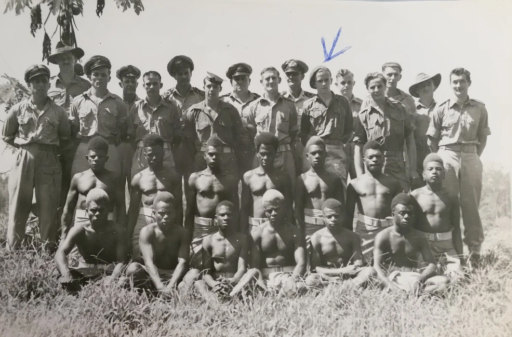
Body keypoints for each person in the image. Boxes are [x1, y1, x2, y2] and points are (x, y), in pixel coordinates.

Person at [2, 64, 70, 250]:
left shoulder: (59, 112)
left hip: (49, 158)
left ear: (49, 84)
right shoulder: (17, 109)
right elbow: (7, 135)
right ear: (29, 84)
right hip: (24, 156)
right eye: (35, 81)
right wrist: (27, 149)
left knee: (48, 205)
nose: (40, 85)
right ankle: (13, 248)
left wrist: (46, 151)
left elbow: (65, 138)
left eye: (43, 81)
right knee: (18, 203)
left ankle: (47, 249)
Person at [426, 68, 490, 266]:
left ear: (468, 83)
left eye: (462, 81)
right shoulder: (442, 108)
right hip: (447, 155)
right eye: (454, 82)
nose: (458, 86)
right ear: (450, 84)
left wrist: (472, 157)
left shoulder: (479, 108)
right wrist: (445, 157)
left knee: (471, 206)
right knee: (447, 203)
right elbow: (432, 140)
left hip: (471, 155)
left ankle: (474, 252)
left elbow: (483, 137)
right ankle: (451, 251)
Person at [233, 189, 306, 296]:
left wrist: (292, 280)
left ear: (284, 208)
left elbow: (301, 263)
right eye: (269, 210)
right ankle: (232, 296)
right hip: (265, 277)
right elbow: (255, 265)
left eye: (277, 209)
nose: (273, 214)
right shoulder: (257, 233)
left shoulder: (294, 232)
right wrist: (261, 284)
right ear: (264, 210)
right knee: (249, 278)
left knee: (302, 286)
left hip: (288, 276)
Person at [373, 193, 449, 295]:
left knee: (445, 282)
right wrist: (390, 285)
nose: (407, 216)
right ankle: (412, 294)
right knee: (375, 280)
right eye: (402, 213)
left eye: (410, 213)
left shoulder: (419, 236)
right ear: (393, 214)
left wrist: (419, 280)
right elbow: (376, 266)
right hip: (394, 279)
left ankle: (413, 294)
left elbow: (432, 264)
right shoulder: (383, 236)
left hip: (415, 277)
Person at [124, 192, 199, 295]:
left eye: (169, 213)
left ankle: (176, 291)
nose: (166, 217)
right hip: (153, 273)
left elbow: (182, 262)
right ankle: (151, 292)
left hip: (174, 274)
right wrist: (160, 286)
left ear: (175, 213)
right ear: (154, 213)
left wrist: (170, 286)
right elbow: (149, 262)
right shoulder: (147, 232)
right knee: (133, 269)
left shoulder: (182, 233)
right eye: (162, 213)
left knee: (194, 273)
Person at [353, 72, 418, 191]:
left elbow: (410, 140)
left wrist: (412, 169)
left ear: (385, 87)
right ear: (367, 89)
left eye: (379, 86)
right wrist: (360, 175)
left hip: (397, 165)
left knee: (400, 201)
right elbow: (358, 147)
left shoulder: (400, 109)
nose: (376, 90)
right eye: (372, 87)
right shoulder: (363, 115)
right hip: (374, 165)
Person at [69, 55, 128, 179]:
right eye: (95, 74)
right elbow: (73, 128)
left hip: (109, 149)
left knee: (112, 185)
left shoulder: (118, 102)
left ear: (109, 77)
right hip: (85, 148)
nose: (99, 78)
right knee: (82, 185)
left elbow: (123, 128)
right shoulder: (78, 101)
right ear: (89, 77)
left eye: (103, 75)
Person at [186, 136, 239, 269]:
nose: (214, 158)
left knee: (221, 267)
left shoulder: (230, 179)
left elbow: (235, 210)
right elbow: (189, 211)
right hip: (201, 228)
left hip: (221, 229)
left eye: (218, 155)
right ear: (204, 156)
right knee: (197, 267)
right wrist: (187, 240)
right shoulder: (195, 178)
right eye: (211, 154)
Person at [56, 188, 128, 287]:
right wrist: (66, 274)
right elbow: (61, 252)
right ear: (87, 211)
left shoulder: (117, 230)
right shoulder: (80, 229)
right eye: (93, 210)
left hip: (109, 271)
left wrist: (112, 279)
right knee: (58, 274)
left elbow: (122, 261)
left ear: (108, 210)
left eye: (101, 210)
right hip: (85, 271)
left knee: (124, 281)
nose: (97, 214)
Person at [47, 42, 90, 206]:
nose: (65, 61)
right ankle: (56, 226)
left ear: (75, 60)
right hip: (54, 142)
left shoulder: (86, 85)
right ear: (57, 62)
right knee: (55, 185)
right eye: (61, 58)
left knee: (77, 182)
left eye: (68, 57)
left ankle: (75, 225)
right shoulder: (49, 85)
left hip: (77, 142)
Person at [184, 72, 249, 177]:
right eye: (209, 86)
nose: (211, 89)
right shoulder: (194, 111)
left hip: (226, 158)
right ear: (203, 87)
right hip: (202, 158)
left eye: (215, 87)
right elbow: (188, 139)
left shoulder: (230, 110)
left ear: (220, 89)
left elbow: (239, 136)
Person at [127, 134, 182, 257]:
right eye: (150, 154)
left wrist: (178, 231)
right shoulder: (138, 178)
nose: (154, 158)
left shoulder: (173, 176)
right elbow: (133, 209)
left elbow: (178, 207)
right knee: (140, 257)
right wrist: (128, 235)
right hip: (145, 217)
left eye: (157, 154)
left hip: (166, 218)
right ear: (145, 155)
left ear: (163, 153)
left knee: (165, 257)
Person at [411, 154, 463, 281]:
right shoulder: (415, 196)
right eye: (430, 169)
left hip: (446, 245)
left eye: (439, 169)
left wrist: (461, 258)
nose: (435, 172)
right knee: (421, 277)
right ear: (423, 174)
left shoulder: (451, 197)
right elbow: (410, 228)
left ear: (444, 174)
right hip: (424, 245)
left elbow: (456, 228)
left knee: (458, 279)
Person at [346, 141, 402, 260]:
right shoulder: (355, 184)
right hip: (364, 232)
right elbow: (348, 215)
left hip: (387, 230)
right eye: (371, 157)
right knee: (363, 264)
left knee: (388, 263)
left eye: (378, 156)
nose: (375, 160)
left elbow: (399, 213)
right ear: (363, 160)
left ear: (383, 159)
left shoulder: (393, 183)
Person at [245, 67, 299, 189]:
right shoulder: (254, 107)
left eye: (273, 78)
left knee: (289, 188)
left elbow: (293, 132)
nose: (270, 81)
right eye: (267, 79)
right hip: (263, 155)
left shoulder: (289, 105)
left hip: (284, 153)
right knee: (260, 188)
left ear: (279, 80)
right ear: (261, 82)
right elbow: (251, 132)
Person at [61, 136, 126, 236]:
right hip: (82, 220)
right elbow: (68, 209)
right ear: (87, 158)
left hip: (106, 221)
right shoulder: (78, 178)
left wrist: (120, 233)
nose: (96, 159)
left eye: (100, 157)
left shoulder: (114, 179)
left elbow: (121, 208)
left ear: (106, 159)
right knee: (73, 250)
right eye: (93, 156)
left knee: (106, 251)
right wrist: (64, 235)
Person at [301, 66, 353, 187]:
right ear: (314, 83)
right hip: (316, 151)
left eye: (326, 79)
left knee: (339, 187)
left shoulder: (343, 102)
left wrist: (338, 144)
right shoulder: (308, 105)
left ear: (331, 80)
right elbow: (303, 133)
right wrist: (314, 146)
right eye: (320, 81)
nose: (324, 83)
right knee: (315, 187)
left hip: (336, 150)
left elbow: (349, 129)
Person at [306, 199, 375, 288]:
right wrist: (339, 272)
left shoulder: (352, 237)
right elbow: (316, 268)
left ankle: (340, 287)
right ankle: (346, 287)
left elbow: (358, 263)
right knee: (310, 280)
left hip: (349, 275)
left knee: (370, 271)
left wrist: (349, 270)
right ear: (323, 218)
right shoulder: (316, 238)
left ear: (343, 217)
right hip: (328, 275)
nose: (333, 219)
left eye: (336, 216)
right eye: (329, 216)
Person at [194, 201, 250, 301]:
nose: (226, 218)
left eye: (229, 215)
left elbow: (242, 268)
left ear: (235, 218)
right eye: (222, 215)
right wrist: (215, 284)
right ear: (216, 219)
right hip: (216, 281)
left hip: (235, 281)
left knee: (251, 274)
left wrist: (232, 281)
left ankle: (231, 297)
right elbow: (206, 272)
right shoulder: (208, 240)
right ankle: (217, 304)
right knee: (198, 284)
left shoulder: (242, 239)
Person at [129, 71, 181, 178]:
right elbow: (130, 133)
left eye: (155, 84)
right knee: (140, 185)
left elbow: (177, 134)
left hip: (165, 153)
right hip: (142, 154)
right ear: (143, 86)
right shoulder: (136, 108)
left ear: (160, 85)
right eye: (148, 84)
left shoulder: (171, 107)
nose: (151, 87)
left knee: (167, 187)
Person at [295, 137, 344, 251]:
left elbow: (342, 207)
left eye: (320, 153)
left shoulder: (334, 179)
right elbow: (297, 209)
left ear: (326, 155)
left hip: (331, 225)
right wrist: (300, 233)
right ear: (307, 156)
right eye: (313, 153)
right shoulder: (302, 179)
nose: (317, 156)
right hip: (309, 226)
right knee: (310, 260)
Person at [241, 132, 293, 233]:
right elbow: (244, 209)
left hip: (276, 227)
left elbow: (289, 208)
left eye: (269, 154)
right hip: (255, 226)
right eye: (262, 154)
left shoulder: (283, 177)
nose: (265, 158)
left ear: (275, 154)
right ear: (257, 153)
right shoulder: (248, 177)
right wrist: (244, 234)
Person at [163, 55, 204, 181]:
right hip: (173, 146)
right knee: (173, 185)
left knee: (193, 185)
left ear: (191, 73)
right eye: (180, 74)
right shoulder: (166, 98)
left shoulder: (201, 96)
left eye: (186, 73)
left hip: (194, 146)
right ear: (174, 76)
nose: (184, 77)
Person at [221, 62, 260, 174]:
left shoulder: (259, 101)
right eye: (237, 78)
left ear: (249, 81)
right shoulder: (222, 101)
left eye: (243, 78)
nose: (240, 82)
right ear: (231, 82)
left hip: (251, 151)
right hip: (230, 151)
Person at [281, 59, 314, 174]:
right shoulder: (280, 99)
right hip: (286, 148)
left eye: (294, 74)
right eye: (288, 74)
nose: (291, 77)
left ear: (302, 76)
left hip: (306, 146)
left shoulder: (312, 99)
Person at [408, 73, 441, 185]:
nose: (426, 87)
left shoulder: (442, 108)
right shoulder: (411, 110)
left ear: (434, 87)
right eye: (422, 86)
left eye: (428, 84)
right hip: (417, 158)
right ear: (417, 90)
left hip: (438, 155)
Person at [334, 68, 362, 179]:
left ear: (353, 83)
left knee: (360, 182)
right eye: (342, 83)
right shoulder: (332, 105)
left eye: (349, 82)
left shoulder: (361, 104)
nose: (346, 85)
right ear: (336, 84)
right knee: (340, 183)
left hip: (357, 148)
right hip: (339, 148)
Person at [116, 65, 141, 187]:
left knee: (136, 187)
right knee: (117, 188)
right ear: (121, 84)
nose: (130, 84)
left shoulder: (143, 105)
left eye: (133, 81)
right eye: (126, 81)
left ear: (137, 84)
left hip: (136, 151)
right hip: (118, 150)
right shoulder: (115, 104)